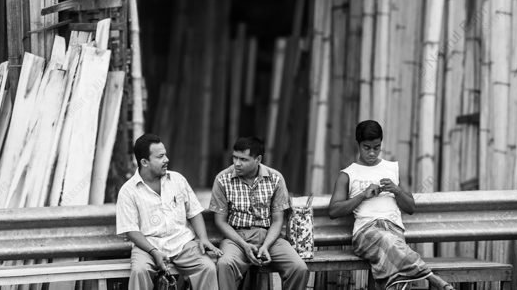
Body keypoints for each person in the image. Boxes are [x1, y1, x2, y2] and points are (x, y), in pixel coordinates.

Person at [328, 120, 453, 290]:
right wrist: (362, 195)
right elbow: (333, 211)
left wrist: (397, 190)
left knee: (396, 269)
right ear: (358, 144)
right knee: (389, 241)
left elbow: (411, 208)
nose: (372, 153)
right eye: (367, 148)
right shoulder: (348, 174)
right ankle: (432, 278)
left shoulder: (391, 168)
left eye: (376, 147)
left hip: (394, 230)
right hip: (366, 232)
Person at [116, 133, 222, 290]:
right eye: (160, 156)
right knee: (139, 271)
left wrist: (203, 238)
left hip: (183, 243)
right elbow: (131, 230)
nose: (166, 159)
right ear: (144, 162)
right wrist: (154, 252)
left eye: (165, 154)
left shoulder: (178, 179)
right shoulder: (128, 191)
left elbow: (193, 211)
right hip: (148, 245)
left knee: (207, 267)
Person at [209, 136, 308, 290]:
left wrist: (266, 246)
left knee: (298, 268)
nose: (237, 163)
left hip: (269, 237)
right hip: (236, 238)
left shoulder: (275, 178)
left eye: (243, 159)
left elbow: (277, 220)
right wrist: (244, 245)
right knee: (224, 264)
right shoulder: (222, 179)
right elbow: (220, 221)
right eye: (234, 157)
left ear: (258, 159)